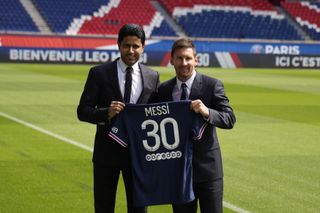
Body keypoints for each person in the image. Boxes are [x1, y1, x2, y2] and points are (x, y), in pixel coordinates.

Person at [77, 24, 159, 213]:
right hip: (106, 155)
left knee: (139, 209)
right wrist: (105, 113)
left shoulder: (153, 76)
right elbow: (82, 110)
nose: (131, 51)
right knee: (104, 208)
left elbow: (156, 114)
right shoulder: (99, 73)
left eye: (135, 46)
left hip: (139, 157)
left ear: (143, 47)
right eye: (126, 45)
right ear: (118, 45)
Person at [155, 38, 236, 213]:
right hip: (178, 172)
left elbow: (229, 118)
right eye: (179, 58)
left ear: (196, 60)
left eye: (188, 58)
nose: (184, 63)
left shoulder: (212, 85)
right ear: (172, 61)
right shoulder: (163, 91)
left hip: (208, 171)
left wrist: (207, 112)